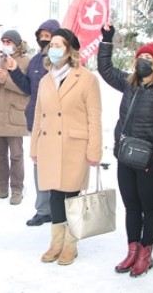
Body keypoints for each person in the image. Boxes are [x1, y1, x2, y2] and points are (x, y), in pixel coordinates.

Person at [97, 24, 153, 277]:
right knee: (131, 207)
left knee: (150, 209)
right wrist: (107, 40)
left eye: (149, 58)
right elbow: (106, 69)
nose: (142, 61)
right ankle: (132, 250)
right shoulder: (130, 84)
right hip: (126, 158)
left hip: (151, 162)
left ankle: (145, 254)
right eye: (140, 56)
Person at [30, 28, 102, 266]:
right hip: (49, 143)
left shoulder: (87, 78)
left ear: (70, 49)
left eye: (59, 44)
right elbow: (39, 116)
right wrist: (34, 148)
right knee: (53, 194)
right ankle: (56, 242)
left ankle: (70, 243)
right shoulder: (45, 79)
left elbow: (94, 117)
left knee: (71, 194)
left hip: (74, 146)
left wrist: (94, 150)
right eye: (52, 45)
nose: (54, 49)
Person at [7, 18, 60, 226]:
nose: (44, 39)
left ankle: (58, 209)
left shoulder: (61, 61)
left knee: (58, 168)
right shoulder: (36, 60)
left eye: (49, 36)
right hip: (36, 122)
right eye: (41, 36)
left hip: (57, 124)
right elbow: (28, 87)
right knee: (40, 168)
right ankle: (43, 209)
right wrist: (14, 71)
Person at [0, 30, 30, 205]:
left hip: (15, 116)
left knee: (16, 155)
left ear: (17, 43)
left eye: (9, 41)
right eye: (3, 41)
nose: (5, 44)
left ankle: (17, 189)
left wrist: (6, 81)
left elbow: (27, 89)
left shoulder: (26, 62)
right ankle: (1, 188)